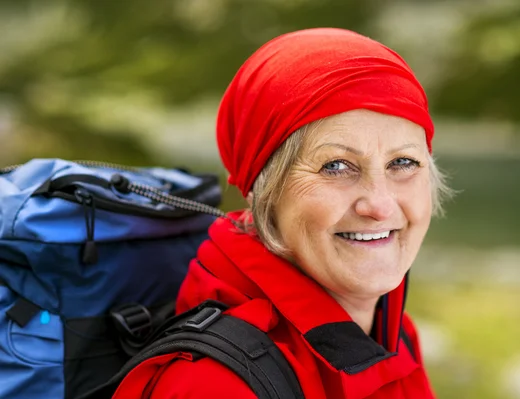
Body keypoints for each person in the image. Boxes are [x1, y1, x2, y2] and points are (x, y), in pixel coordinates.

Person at [112, 27, 452, 399]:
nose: (380, 204)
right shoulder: (214, 384)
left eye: (403, 162)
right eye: (336, 166)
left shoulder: (391, 329)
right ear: (265, 191)